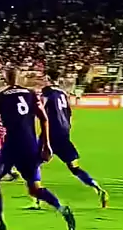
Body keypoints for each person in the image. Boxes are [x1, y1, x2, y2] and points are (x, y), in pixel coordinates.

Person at [0, 67, 76, 230]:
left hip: (11, 146)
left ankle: (0, 222)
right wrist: (46, 144)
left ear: (5, 78)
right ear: (19, 78)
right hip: (30, 145)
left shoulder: (2, 96)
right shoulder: (30, 94)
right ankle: (61, 208)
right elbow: (44, 119)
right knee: (35, 189)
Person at [39, 69, 108, 207]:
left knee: (34, 164)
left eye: (44, 78)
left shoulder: (46, 92)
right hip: (63, 134)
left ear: (48, 78)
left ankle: (36, 201)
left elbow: (41, 108)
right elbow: (69, 114)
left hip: (50, 133)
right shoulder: (63, 93)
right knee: (74, 168)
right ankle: (97, 188)